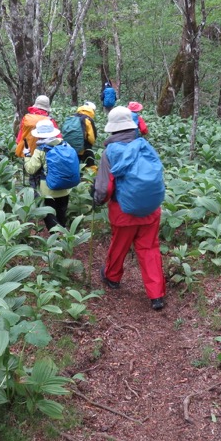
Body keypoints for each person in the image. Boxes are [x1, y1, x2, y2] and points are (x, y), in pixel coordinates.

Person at [92, 106, 166, 311]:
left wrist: (97, 199)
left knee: (119, 244)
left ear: (112, 129)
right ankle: (156, 295)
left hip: (124, 211)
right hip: (151, 209)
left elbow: (104, 187)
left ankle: (112, 277)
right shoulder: (145, 146)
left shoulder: (110, 153)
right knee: (149, 249)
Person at [23, 120, 72, 231]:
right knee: (61, 210)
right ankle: (63, 230)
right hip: (65, 185)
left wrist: (27, 155)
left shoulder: (41, 150)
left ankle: (55, 237)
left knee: (49, 213)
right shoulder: (65, 144)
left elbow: (31, 169)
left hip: (48, 188)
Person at [15, 95, 57, 159]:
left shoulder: (26, 118)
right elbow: (57, 139)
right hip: (42, 155)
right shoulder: (50, 121)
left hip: (26, 153)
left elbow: (19, 138)